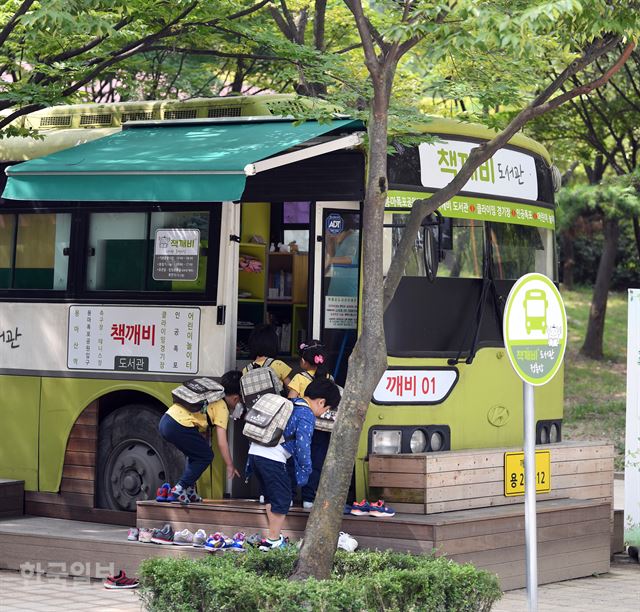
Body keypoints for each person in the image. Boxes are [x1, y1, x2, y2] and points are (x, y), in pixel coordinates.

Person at [247, 377, 341, 551]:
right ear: (321, 402)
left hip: (255, 454)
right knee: (283, 499)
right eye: (326, 409)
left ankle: (272, 537)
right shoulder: (307, 415)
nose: (323, 413)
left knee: (271, 496)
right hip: (272, 458)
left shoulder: (291, 403)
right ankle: (273, 540)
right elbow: (303, 445)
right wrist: (306, 471)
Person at [158, 370, 242, 504]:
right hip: (178, 426)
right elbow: (222, 442)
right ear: (235, 398)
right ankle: (179, 489)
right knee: (206, 456)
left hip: (165, 421)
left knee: (194, 455)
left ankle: (190, 490)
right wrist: (230, 465)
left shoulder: (210, 396)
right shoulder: (222, 408)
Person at [287, 341, 335, 509]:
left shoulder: (299, 378)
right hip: (322, 428)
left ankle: (290, 495)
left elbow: (290, 402)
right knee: (316, 461)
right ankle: (309, 497)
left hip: (301, 426)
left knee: (293, 458)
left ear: (304, 362)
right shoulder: (329, 378)